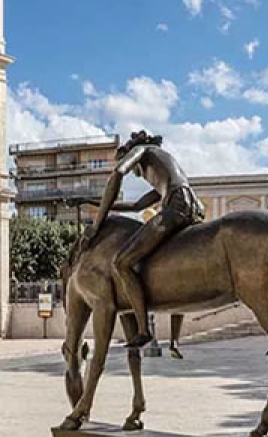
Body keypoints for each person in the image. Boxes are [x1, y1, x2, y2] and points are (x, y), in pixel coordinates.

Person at [83, 131, 205, 348]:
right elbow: (136, 206)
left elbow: (118, 174)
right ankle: (174, 340)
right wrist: (94, 203)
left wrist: (97, 224)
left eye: (135, 170)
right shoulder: (166, 172)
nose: (136, 174)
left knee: (122, 262)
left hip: (177, 206)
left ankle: (143, 329)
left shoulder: (143, 150)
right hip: (194, 207)